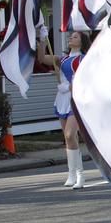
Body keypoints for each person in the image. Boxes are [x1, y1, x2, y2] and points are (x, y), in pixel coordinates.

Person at [38, 30, 91, 189]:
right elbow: (42, 59)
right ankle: (72, 173)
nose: (71, 38)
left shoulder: (83, 59)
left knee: (70, 134)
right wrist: (41, 40)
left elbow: (85, 79)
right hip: (62, 99)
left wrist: (68, 86)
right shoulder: (62, 59)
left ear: (82, 42)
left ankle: (80, 174)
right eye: (71, 36)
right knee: (68, 138)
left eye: (75, 37)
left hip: (76, 99)